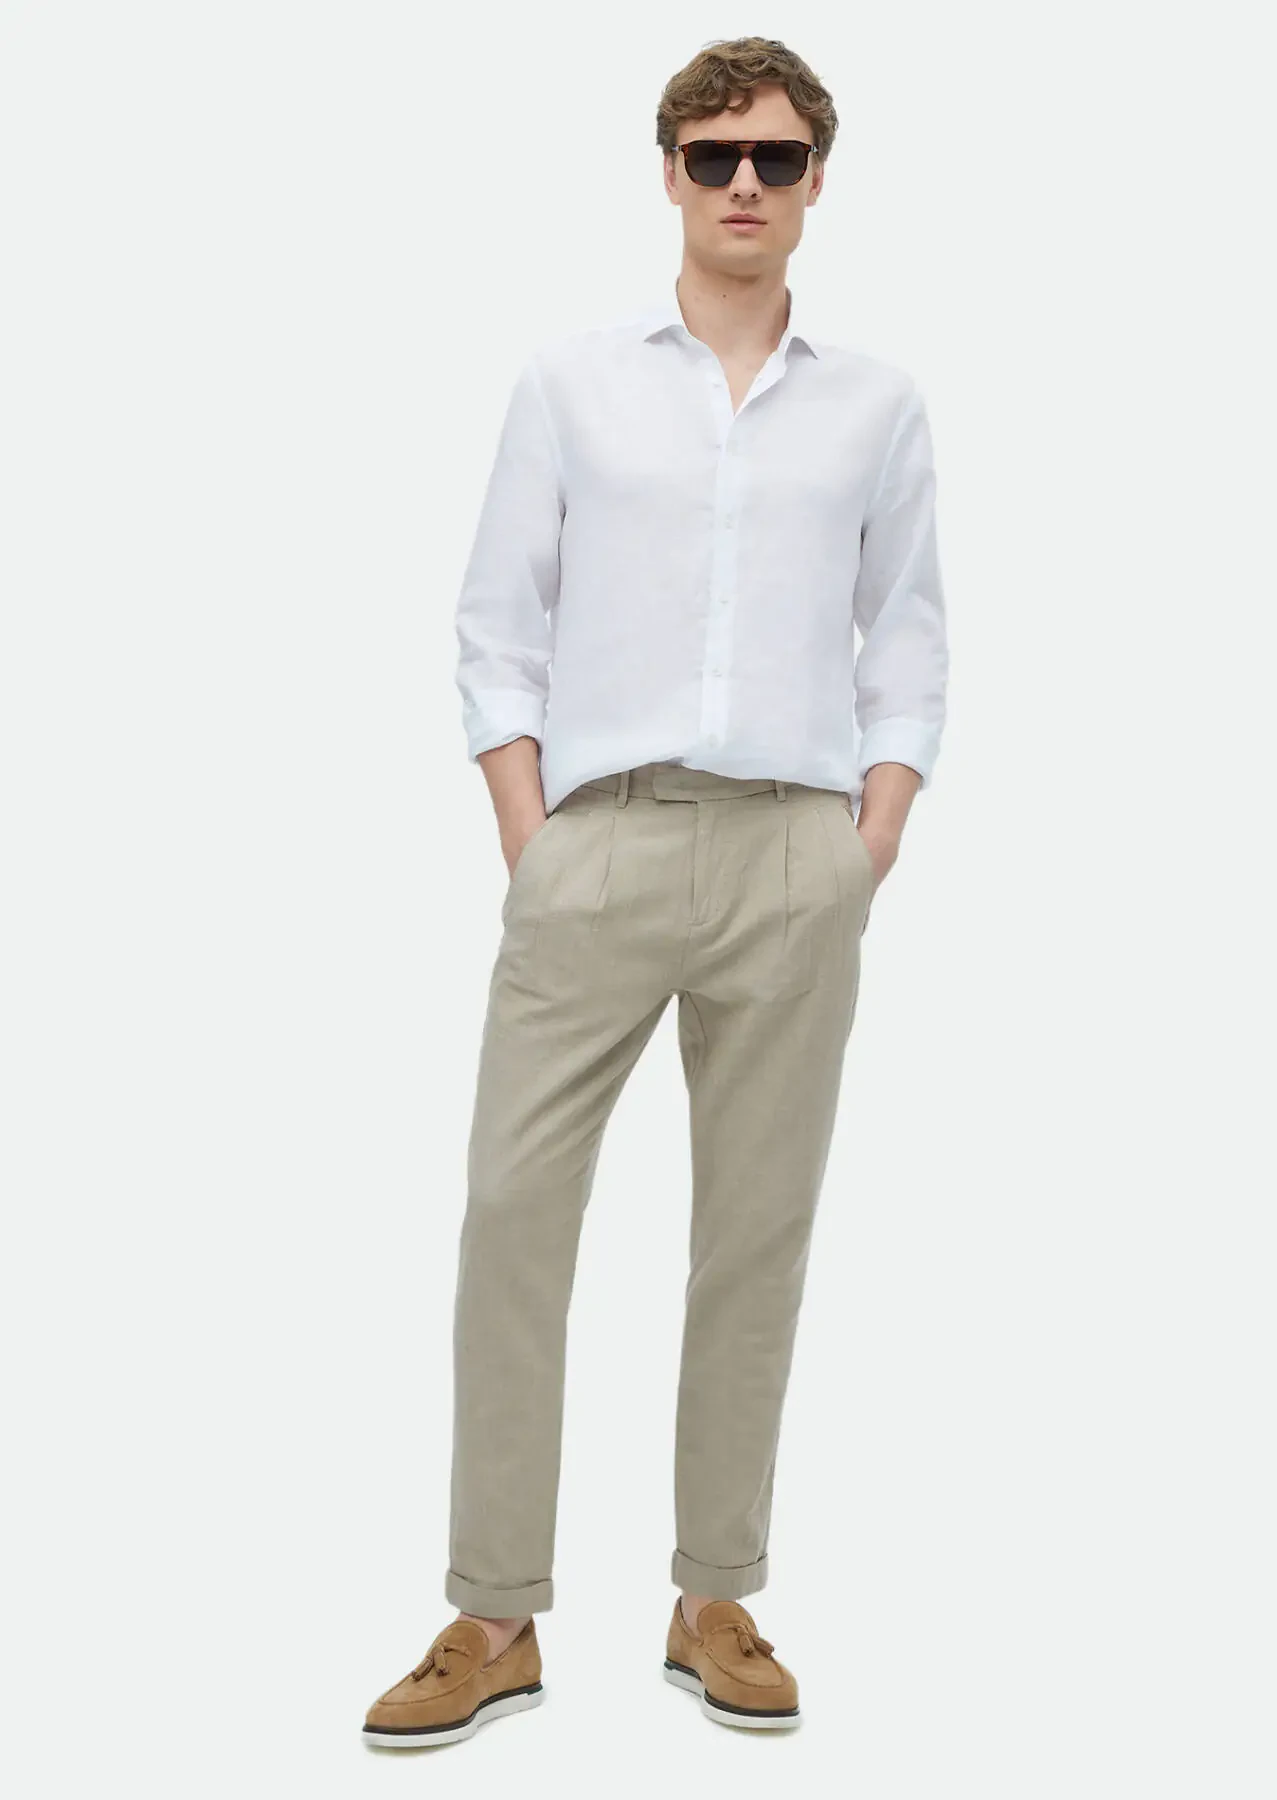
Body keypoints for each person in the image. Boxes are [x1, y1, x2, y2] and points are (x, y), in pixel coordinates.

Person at [363, 34, 947, 1746]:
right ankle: (492, 1616)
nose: (744, 185)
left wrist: (872, 832)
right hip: (597, 844)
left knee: (754, 1235)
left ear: (818, 179)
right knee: (513, 1216)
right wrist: (530, 833)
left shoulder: (878, 406)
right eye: (713, 157)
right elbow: (496, 622)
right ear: (671, 173)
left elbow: (909, 631)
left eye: (775, 157)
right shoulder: (571, 385)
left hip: (795, 854)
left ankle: (716, 1597)